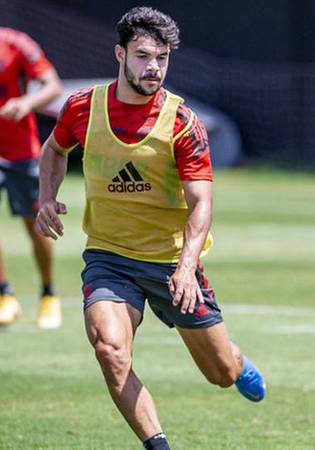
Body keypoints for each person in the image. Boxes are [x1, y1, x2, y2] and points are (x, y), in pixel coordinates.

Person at [34, 8, 265, 450]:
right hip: (109, 258)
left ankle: (236, 359)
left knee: (221, 374)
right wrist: (46, 196)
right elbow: (55, 149)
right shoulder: (84, 107)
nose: (153, 67)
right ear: (120, 54)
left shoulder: (182, 123)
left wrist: (185, 267)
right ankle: (157, 445)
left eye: (162, 57)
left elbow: (202, 203)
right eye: (142, 56)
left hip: (172, 263)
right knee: (110, 350)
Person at [0, 27, 63, 328]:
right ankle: (5, 295)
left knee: (34, 224)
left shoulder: (16, 43)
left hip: (20, 150)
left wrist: (26, 104)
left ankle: (48, 294)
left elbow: (52, 85)